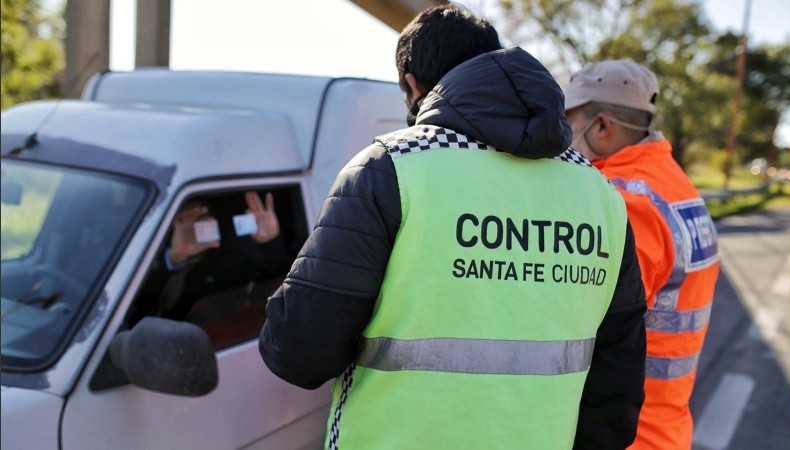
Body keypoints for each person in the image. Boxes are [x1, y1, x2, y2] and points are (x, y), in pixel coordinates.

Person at [259, 5, 647, 449]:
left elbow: (299, 353)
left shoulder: (390, 169)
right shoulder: (600, 195)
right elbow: (617, 385)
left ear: (412, 86)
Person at [563, 60, 721, 450]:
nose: (561, 132)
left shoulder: (625, 203)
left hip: (626, 435)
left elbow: (583, 328)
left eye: (568, 120)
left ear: (602, 126)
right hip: (666, 427)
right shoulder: (674, 185)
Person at [139, 191, 292, 321]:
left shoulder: (231, 265)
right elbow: (137, 306)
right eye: (186, 219)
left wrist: (270, 243)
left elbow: (278, 291)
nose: (193, 226)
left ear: (213, 221)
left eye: (200, 218)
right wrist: (172, 260)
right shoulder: (151, 253)